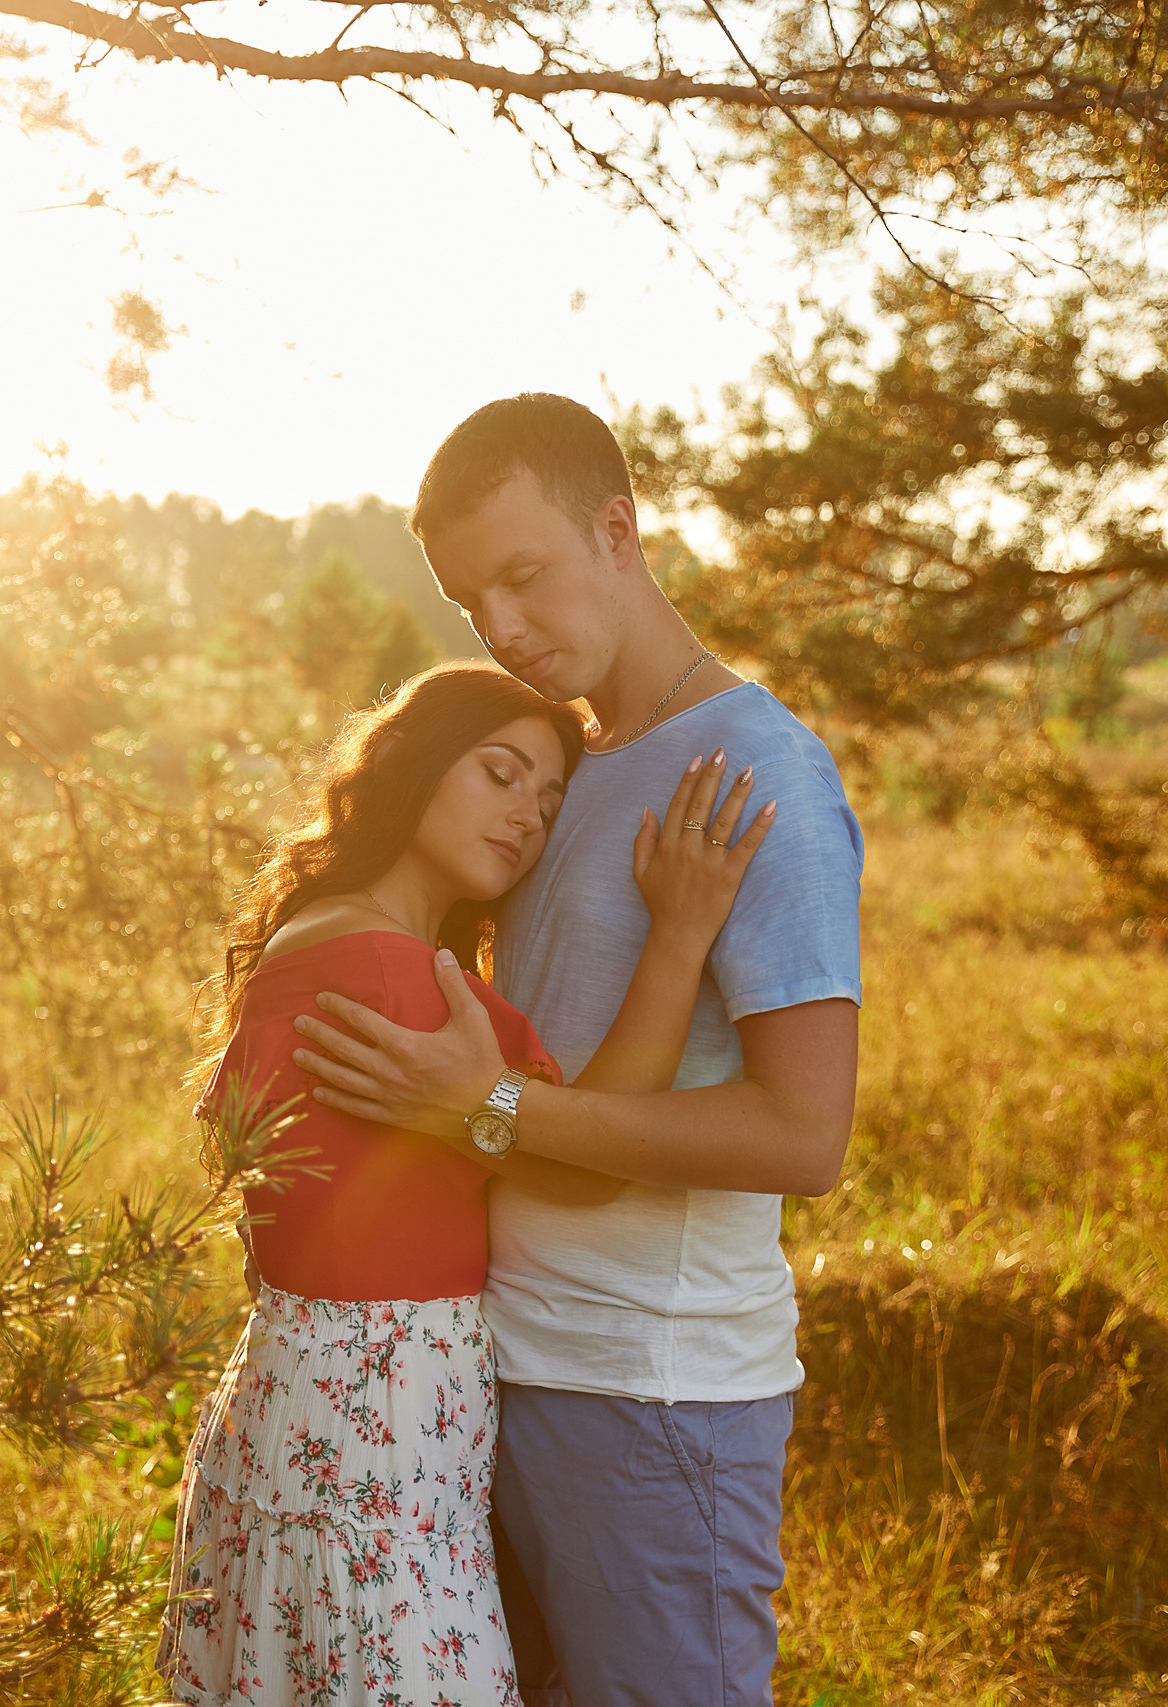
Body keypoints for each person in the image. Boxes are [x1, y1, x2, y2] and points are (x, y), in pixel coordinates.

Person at [289, 394, 864, 1707]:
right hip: (500, 1371)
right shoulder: (561, 764)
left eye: (524, 574)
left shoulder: (754, 767)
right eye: (470, 598)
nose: (500, 626)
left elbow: (803, 1134)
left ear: (620, 528)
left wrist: (480, 1105)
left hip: (653, 1397)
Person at [160, 660, 774, 1706]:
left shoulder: (313, 941)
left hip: (306, 1405)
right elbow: (590, 1158)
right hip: (373, 1437)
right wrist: (678, 933)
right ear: (409, 764)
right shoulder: (404, 980)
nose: (525, 818)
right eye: (500, 774)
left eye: (545, 802)